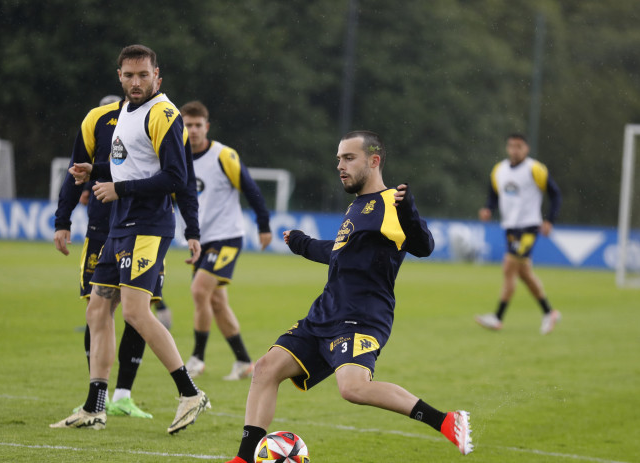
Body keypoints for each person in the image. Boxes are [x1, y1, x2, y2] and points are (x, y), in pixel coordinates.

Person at [224, 131, 473, 463]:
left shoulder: (389, 204)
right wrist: (301, 243)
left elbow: (422, 245)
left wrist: (409, 213)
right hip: (325, 313)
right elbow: (340, 253)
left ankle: (446, 421)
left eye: (349, 158)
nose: (340, 165)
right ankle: (243, 459)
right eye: (338, 159)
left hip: (362, 317)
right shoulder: (358, 206)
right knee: (266, 368)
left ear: (374, 161)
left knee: (352, 388)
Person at [51, 44, 209, 434]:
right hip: (119, 227)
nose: (136, 82)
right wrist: (98, 168)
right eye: (129, 75)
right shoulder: (126, 111)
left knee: (136, 313)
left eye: (143, 75)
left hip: (148, 227)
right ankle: (95, 406)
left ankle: (190, 393)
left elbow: (176, 178)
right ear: (119, 76)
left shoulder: (164, 113)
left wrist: (118, 189)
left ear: (158, 76)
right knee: (97, 311)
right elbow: (133, 163)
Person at [179, 101, 272, 381]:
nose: (192, 130)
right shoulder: (177, 158)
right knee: (216, 302)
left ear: (206, 127)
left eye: (197, 125)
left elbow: (251, 189)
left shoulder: (223, 155)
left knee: (198, 292)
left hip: (227, 237)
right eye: (187, 125)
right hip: (200, 241)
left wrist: (264, 225)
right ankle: (244, 362)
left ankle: (197, 358)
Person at [475, 133, 562, 335]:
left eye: (519, 146)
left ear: (526, 149)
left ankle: (497, 317)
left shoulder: (535, 169)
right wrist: (488, 208)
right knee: (523, 273)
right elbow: (494, 195)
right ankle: (549, 312)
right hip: (510, 228)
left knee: (508, 267)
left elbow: (555, 194)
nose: (515, 150)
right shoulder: (499, 170)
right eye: (511, 146)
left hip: (529, 227)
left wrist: (549, 220)